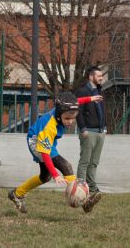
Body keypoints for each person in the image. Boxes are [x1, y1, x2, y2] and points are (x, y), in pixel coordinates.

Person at [8, 91, 103, 214]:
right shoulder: (50, 126)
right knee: (65, 166)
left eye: (73, 118)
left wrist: (90, 98)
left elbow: (75, 102)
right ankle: (85, 202)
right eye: (67, 118)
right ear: (59, 115)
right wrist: (55, 174)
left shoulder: (63, 108)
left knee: (44, 176)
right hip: (36, 140)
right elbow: (45, 153)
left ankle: (16, 194)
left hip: (47, 141)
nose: (70, 121)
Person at [75, 66, 106, 213]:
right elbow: (78, 112)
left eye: (101, 76)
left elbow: (101, 110)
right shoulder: (83, 92)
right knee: (85, 161)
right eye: (99, 75)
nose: (101, 78)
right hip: (88, 131)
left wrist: (104, 128)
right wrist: (83, 129)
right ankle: (80, 189)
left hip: (100, 132)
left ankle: (92, 187)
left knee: (94, 162)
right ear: (90, 76)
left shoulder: (99, 90)